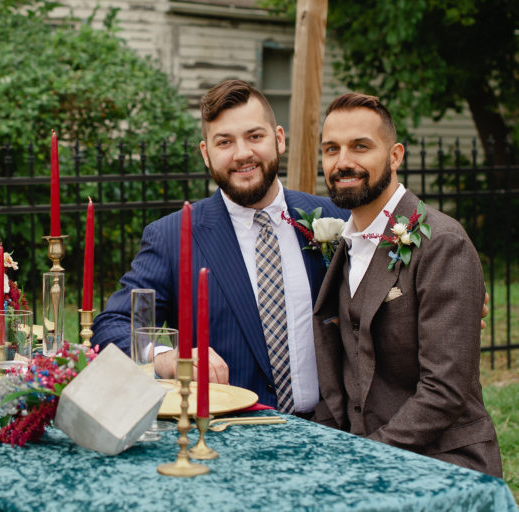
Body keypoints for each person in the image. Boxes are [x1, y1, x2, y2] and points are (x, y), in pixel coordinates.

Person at [91, 79, 349, 415]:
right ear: (206, 154)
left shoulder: (335, 219)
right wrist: (168, 357)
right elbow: (111, 326)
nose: (242, 153)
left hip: (330, 434)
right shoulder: (172, 237)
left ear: (279, 139)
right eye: (224, 142)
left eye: (255, 136)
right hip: (227, 434)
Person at [312, 92, 502, 477]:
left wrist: (363, 458)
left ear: (395, 156)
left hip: (442, 463)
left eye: (360, 146)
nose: (343, 161)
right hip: (363, 458)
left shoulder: (443, 243)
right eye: (331, 149)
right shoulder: (345, 244)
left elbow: (445, 390)